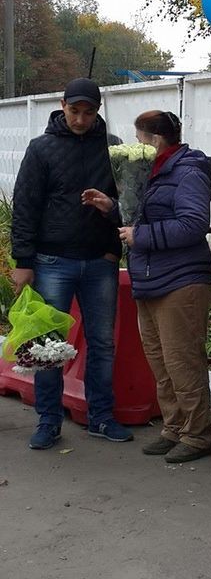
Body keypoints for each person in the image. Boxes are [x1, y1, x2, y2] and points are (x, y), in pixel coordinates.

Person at [10, 77, 133, 450]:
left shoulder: (113, 150)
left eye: (88, 112)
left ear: (98, 111)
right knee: (47, 344)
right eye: (74, 110)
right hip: (52, 261)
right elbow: (25, 206)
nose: (81, 119)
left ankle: (101, 416)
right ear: (62, 105)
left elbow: (129, 205)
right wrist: (24, 261)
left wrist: (114, 241)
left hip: (100, 260)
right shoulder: (42, 148)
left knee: (102, 343)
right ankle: (49, 420)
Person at [89, 110, 211, 464]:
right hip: (150, 277)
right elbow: (141, 214)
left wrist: (140, 236)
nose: (136, 144)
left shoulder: (187, 171)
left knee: (182, 360)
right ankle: (174, 427)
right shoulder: (149, 171)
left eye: (140, 137)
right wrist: (112, 208)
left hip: (182, 280)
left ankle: (198, 434)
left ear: (156, 139)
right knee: (160, 362)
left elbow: (193, 224)